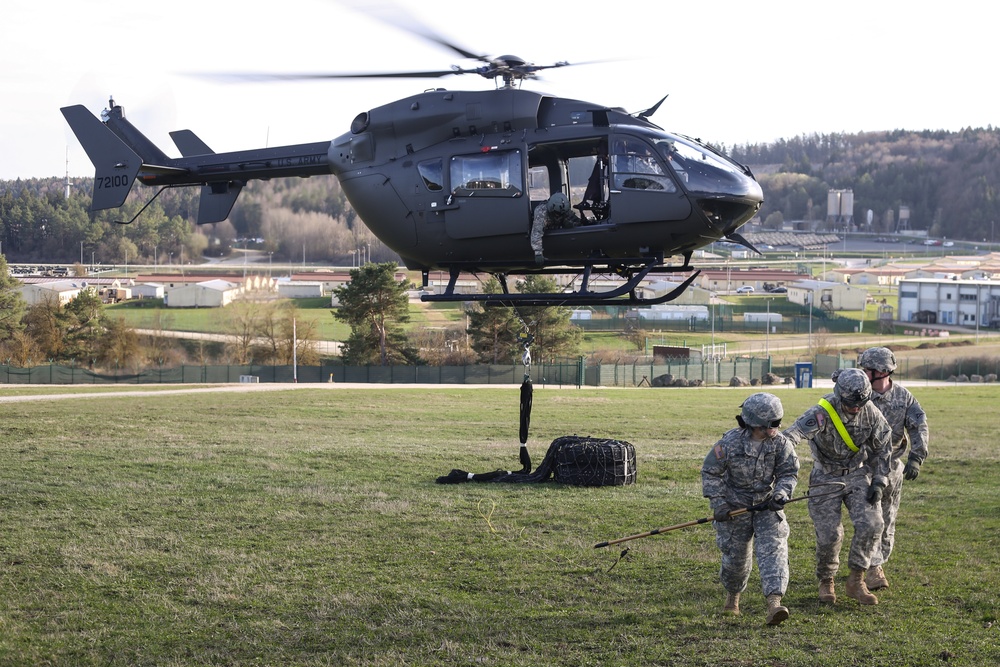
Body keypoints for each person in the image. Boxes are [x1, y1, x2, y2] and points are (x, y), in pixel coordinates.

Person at [783, 368, 892, 606]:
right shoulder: (823, 412)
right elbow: (792, 434)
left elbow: (883, 447)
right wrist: (783, 457)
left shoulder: (870, 413)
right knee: (830, 534)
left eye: (860, 403)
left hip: (857, 474)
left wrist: (879, 480)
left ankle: (857, 580)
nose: (855, 408)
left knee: (873, 523)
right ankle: (826, 580)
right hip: (826, 477)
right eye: (851, 403)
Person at [702, 393, 799, 625]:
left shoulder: (781, 443)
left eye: (778, 423)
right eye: (771, 424)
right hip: (735, 508)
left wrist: (781, 494)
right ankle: (733, 598)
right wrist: (719, 504)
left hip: (766, 505)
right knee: (736, 559)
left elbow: (788, 473)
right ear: (754, 422)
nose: (775, 428)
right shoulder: (729, 443)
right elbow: (710, 472)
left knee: (774, 550)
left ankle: (774, 604)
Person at [857, 346, 929, 591]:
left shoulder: (903, 398)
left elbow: (919, 426)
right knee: (871, 518)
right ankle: (871, 568)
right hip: (862, 468)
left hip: (892, 467)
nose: (864, 372)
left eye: (868, 368)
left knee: (887, 519)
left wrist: (916, 458)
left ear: (882, 371)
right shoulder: (858, 395)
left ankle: (877, 563)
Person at [530, 192, 580, 264]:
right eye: (557, 214)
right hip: (546, 233)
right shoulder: (541, 213)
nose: (558, 215)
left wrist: (571, 224)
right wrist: (538, 253)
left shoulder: (564, 209)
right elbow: (537, 233)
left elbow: (576, 220)